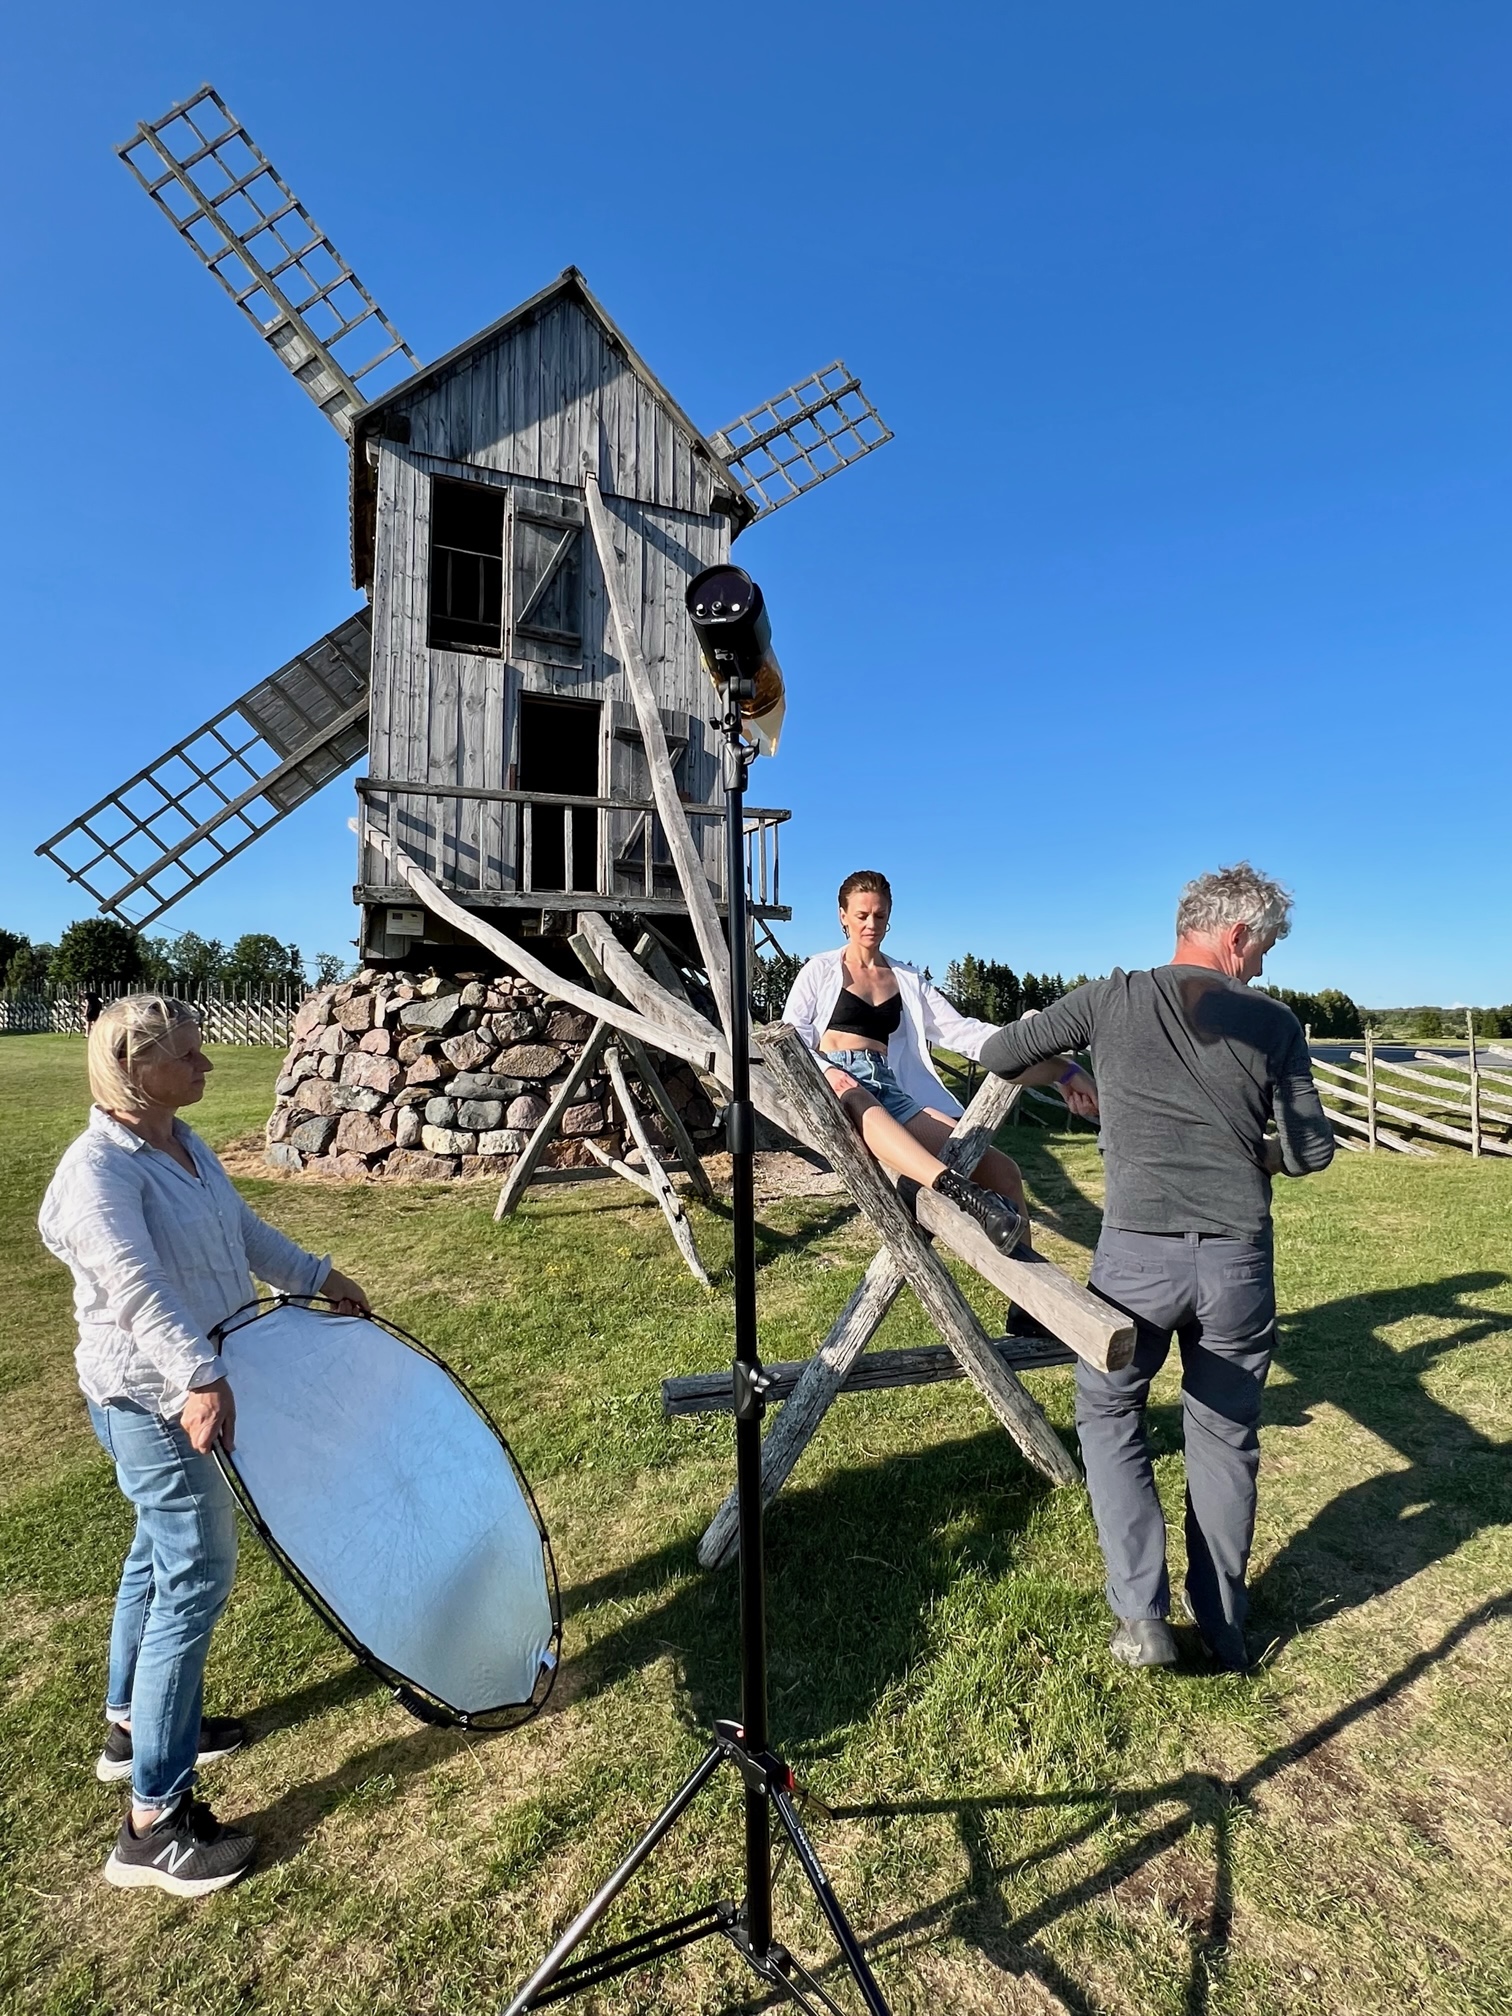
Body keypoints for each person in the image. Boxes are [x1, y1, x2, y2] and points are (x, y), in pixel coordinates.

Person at [38, 995, 371, 1896]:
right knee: (195, 1571)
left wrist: (316, 1275)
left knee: (157, 1554)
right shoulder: (98, 1174)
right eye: (188, 1055)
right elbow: (138, 1290)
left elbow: (240, 1233)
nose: (205, 1066)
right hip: (151, 1397)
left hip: (178, 1385)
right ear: (135, 1068)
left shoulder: (185, 1148)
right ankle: (153, 1822)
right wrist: (199, 1379)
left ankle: (129, 1728)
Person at [977, 863, 1334, 1672]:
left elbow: (1001, 1052)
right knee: (1224, 1432)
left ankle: (1141, 1618)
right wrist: (1256, 1153)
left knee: (1110, 1418)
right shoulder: (1276, 1022)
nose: (1264, 966)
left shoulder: (1111, 998)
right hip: (1237, 1261)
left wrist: (1070, 1070)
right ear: (1234, 935)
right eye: (1264, 947)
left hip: (1134, 1257)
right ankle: (1224, 1625)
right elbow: (1313, 1151)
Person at [783, 870, 1098, 1268]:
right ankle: (962, 1191)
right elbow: (791, 1036)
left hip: (888, 1086)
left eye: (879, 916)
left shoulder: (905, 979)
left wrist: (1061, 1067)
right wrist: (826, 1072)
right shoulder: (820, 970)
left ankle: (1026, 1308)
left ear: (889, 917)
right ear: (843, 916)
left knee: (1003, 1171)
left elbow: (962, 1032)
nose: (871, 925)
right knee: (857, 1093)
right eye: (861, 915)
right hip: (836, 1083)